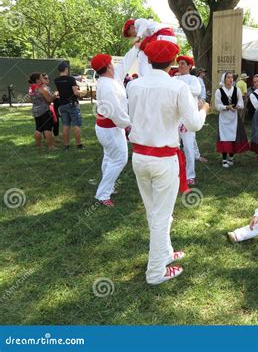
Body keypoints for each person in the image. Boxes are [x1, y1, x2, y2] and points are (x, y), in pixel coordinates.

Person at [127, 40, 209, 285]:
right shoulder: (176, 87)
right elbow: (193, 123)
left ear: (149, 60)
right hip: (163, 159)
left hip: (140, 156)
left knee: (157, 212)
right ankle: (155, 272)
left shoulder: (134, 85)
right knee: (161, 215)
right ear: (173, 62)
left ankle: (164, 253)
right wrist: (203, 108)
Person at [91, 42, 139, 207]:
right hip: (110, 128)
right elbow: (116, 113)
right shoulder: (107, 86)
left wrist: (136, 47)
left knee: (110, 157)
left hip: (109, 128)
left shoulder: (111, 78)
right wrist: (131, 125)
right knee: (119, 158)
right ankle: (103, 193)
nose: (114, 64)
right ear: (109, 66)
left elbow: (125, 62)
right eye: (111, 62)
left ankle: (108, 187)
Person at [175, 55, 204, 185]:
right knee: (173, 147)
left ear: (189, 66)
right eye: (179, 63)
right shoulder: (174, 78)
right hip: (175, 118)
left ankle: (190, 175)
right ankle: (175, 172)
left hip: (188, 118)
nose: (180, 66)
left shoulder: (193, 79)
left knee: (188, 147)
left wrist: (180, 86)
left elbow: (196, 91)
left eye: (182, 63)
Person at [215, 72, 250, 167]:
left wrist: (237, 106)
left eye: (232, 78)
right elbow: (217, 106)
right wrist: (226, 107)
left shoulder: (237, 90)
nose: (231, 79)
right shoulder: (219, 91)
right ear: (224, 79)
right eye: (228, 77)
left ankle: (231, 157)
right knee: (224, 137)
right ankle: (224, 159)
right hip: (224, 118)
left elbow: (241, 103)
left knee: (233, 136)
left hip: (234, 117)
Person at [54, 62, 84, 150]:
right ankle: (79, 144)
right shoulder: (71, 79)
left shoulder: (56, 80)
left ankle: (66, 145)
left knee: (65, 125)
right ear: (66, 69)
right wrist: (81, 94)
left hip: (62, 104)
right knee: (76, 124)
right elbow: (75, 92)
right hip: (72, 104)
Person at [29, 73, 56, 151]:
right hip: (44, 110)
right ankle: (51, 147)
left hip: (35, 110)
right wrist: (55, 95)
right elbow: (49, 100)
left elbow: (31, 99)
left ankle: (38, 146)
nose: (43, 79)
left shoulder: (31, 88)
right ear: (37, 80)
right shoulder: (42, 89)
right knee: (47, 128)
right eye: (41, 78)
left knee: (38, 128)